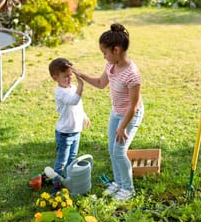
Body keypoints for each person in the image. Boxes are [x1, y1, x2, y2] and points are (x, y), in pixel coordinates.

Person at [73, 23, 144, 201]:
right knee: (112, 151)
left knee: (120, 151)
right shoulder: (111, 66)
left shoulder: (133, 75)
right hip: (116, 112)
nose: (104, 56)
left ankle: (128, 189)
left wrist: (122, 127)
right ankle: (119, 183)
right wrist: (81, 75)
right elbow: (100, 83)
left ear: (116, 50)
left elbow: (133, 106)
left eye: (105, 53)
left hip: (130, 115)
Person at [49, 57, 90, 194]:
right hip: (65, 133)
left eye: (70, 76)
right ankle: (56, 183)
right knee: (62, 160)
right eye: (65, 76)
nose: (69, 79)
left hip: (76, 131)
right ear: (55, 78)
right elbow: (73, 100)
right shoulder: (59, 92)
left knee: (72, 159)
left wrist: (84, 116)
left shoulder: (72, 87)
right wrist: (81, 86)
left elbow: (78, 104)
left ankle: (68, 179)